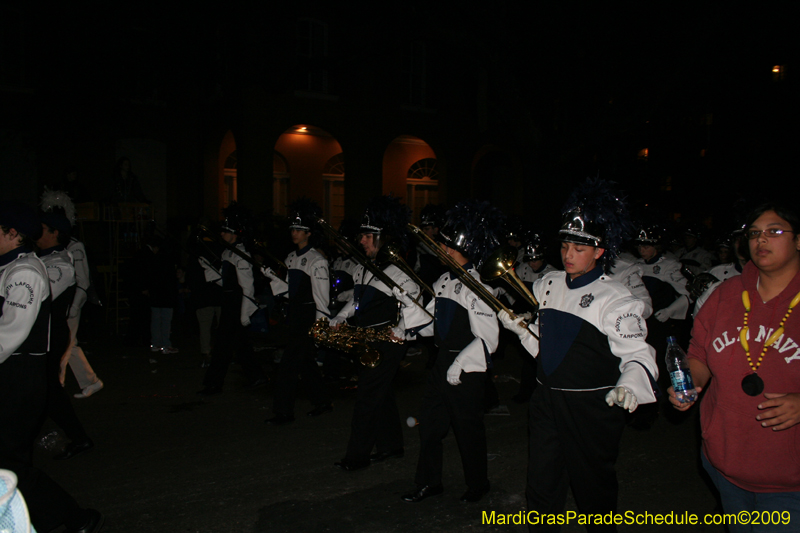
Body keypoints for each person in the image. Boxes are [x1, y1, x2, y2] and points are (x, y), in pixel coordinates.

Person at [499, 178, 659, 532]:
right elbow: (548, 348)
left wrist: (630, 385)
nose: (568, 255)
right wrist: (519, 329)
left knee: (593, 491)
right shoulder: (548, 284)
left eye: (579, 248)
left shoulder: (616, 298)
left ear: (600, 251)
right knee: (541, 484)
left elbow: (638, 353)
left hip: (590, 408)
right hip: (547, 401)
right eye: (566, 245)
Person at [669, 202, 800, 530]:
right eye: (754, 233)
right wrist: (690, 381)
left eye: (774, 231)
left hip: (790, 482)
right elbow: (699, 353)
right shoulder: (724, 295)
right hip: (725, 464)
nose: (761, 240)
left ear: (799, 240)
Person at [0, 201, 103, 533]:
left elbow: (10, 332)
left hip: (20, 375)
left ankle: (72, 517)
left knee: (9, 464)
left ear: (12, 233)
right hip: (12, 374)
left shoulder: (26, 271)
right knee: (10, 462)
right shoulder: (11, 268)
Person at [399, 200, 502, 504]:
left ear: (464, 251)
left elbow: (489, 338)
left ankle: (478, 482)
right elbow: (432, 324)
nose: (441, 251)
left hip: (467, 367)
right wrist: (407, 317)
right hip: (442, 362)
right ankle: (430, 482)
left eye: (447, 247)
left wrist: (462, 363)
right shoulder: (444, 280)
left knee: (467, 429)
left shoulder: (478, 286)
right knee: (429, 427)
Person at [330, 196, 421, 471]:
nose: (362, 241)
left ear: (381, 239)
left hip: (387, 343)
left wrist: (402, 329)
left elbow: (416, 299)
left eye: (367, 236)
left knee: (367, 396)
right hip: (367, 338)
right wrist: (342, 315)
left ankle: (356, 456)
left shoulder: (395, 271)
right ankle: (392, 445)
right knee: (381, 394)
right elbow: (357, 300)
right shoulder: (362, 268)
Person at [262, 199, 332, 424]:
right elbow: (289, 292)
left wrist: (321, 326)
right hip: (294, 315)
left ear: (309, 233)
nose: (294, 232)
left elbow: (322, 298)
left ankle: (284, 411)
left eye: (300, 229)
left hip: (308, 317)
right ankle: (322, 402)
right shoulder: (291, 258)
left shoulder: (317, 260)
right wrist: (273, 278)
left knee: (289, 364)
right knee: (306, 362)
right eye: (293, 228)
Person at [37, 201, 94, 461]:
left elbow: (82, 281)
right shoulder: (40, 257)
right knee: (45, 389)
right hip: (44, 331)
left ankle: (79, 436)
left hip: (54, 328)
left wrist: (75, 307)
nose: (37, 233)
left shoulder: (63, 261)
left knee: (49, 389)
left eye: (43, 229)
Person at [39, 189, 104, 399]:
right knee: (70, 345)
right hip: (61, 304)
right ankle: (91, 381)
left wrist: (74, 307)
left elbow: (83, 280)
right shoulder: (49, 248)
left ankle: (57, 388)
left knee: (63, 348)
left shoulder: (75, 246)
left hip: (71, 303)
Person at [197, 203, 267, 395]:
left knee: (223, 346)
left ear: (234, 234)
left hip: (236, 305)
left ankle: (214, 383)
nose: (221, 234)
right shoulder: (228, 252)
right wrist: (210, 271)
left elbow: (247, 287)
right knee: (239, 345)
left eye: (225, 232)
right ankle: (256, 376)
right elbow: (226, 282)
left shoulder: (240, 254)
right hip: (228, 302)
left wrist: (245, 313)